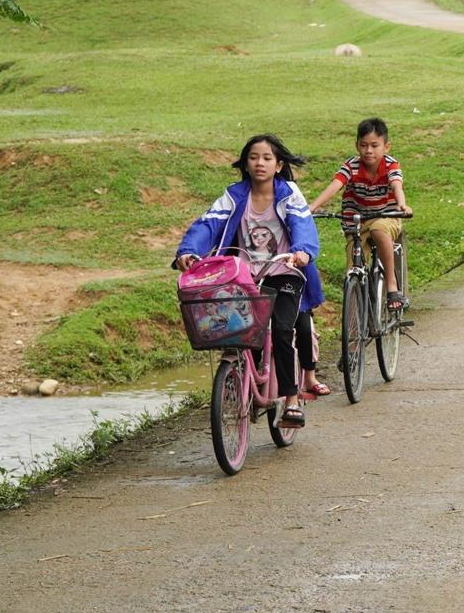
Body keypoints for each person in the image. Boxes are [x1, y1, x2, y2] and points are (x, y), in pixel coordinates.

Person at [174, 134, 323, 429]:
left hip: (284, 273)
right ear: (245, 163)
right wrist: (189, 251)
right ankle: (244, 379)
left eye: (267, 158)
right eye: (254, 157)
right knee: (240, 331)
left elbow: (303, 225)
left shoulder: (289, 193)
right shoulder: (233, 196)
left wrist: (301, 253)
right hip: (243, 276)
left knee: (282, 329)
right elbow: (208, 224)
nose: (260, 163)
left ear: (279, 165)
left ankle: (291, 401)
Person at [309, 117, 413, 313]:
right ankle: (356, 318)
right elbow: (336, 185)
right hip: (356, 222)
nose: (369, 151)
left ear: (386, 146)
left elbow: (396, 184)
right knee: (353, 269)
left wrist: (402, 205)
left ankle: (391, 285)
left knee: (378, 229)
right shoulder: (351, 166)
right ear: (356, 145)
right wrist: (313, 206)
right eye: (364, 145)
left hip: (386, 215)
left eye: (375, 145)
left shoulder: (391, 165)